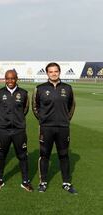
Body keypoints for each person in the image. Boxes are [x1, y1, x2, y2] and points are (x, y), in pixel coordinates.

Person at [32, 62, 77, 194]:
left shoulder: (68, 88)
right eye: (51, 72)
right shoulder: (40, 88)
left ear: (59, 72)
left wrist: (65, 119)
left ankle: (66, 183)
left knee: (63, 155)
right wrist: (42, 119)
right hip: (46, 128)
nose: (53, 73)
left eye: (55, 71)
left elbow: (72, 106)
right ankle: (43, 182)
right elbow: (35, 107)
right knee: (44, 155)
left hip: (63, 127)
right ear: (47, 73)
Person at [0, 70, 33, 192]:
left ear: (17, 78)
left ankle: (25, 181)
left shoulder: (24, 93)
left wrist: (18, 119)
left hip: (19, 130)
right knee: (1, 155)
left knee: (23, 156)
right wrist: (4, 118)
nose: (10, 81)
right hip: (4, 130)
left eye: (12, 78)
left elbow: (25, 109)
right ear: (5, 79)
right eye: (8, 78)